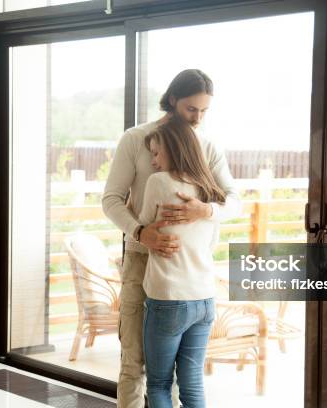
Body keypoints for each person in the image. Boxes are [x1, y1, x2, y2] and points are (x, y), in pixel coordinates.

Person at [102, 69, 242, 408]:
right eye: (192, 109)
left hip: (188, 271)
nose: (198, 118)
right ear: (174, 100)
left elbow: (234, 201)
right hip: (141, 261)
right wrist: (140, 232)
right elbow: (111, 200)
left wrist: (204, 211)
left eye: (204, 111)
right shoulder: (137, 139)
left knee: (178, 378)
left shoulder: (206, 147)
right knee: (133, 362)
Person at [139, 116, 224, 408]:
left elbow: (143, 227)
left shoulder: (158, 182)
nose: (153, 161)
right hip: (204, 299)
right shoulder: (208, 192)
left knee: (160, 384)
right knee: (192, 383)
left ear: (174, 149)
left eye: (156, 152)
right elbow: (211, 242)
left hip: (168, 299)